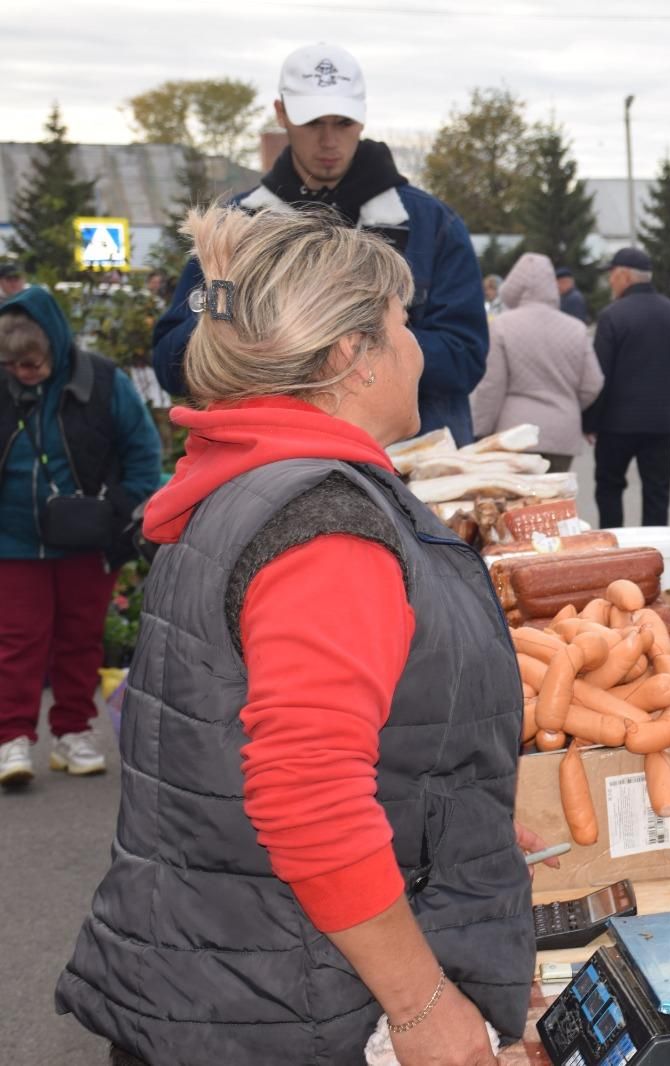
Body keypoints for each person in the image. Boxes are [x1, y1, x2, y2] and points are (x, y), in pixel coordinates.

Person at [56, 205, 545, 1065]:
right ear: (352, 355)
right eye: (403, 324)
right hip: (299, 1008)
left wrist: (452, 812)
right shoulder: (325, 525)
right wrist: (423, 1002)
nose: (421, 348)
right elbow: (307, 794)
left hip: (230, 978)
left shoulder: (246, 484)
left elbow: (241, 733)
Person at [151, 42, 488, 444]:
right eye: (313, 123)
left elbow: (464, 359)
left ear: (362, 118)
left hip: (414, 467)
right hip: (275, 464)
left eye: (343, 122)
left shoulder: (434, 225)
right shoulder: (236, 228)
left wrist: (320, 340)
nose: (328, 141)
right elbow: (171, 361)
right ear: (282, 114)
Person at [0, 287, 161, 787]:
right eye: (14, 364)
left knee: (80, 640)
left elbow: (143, 453)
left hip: (88, 538)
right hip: (11, 539)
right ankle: (12, 740)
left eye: (35, 362)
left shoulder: (103, 381)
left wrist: (115, 511)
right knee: (15, 642)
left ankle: (74, 732)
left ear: (58, 346)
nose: (26, 372)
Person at [584, 248, 670, 528]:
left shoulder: (613, 316)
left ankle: (615, 552)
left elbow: (600, 374)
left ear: (623, 274)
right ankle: (655, 557)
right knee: (657, 494)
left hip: (616, 425)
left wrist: (591, 422)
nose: (610, 282)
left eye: (611, 275)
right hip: (660, 423)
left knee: (609, 488)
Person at [472, 252, 603, 474]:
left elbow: (491, 387)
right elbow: (593, 383)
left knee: (517, 505)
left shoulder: (502, 326)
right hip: (563, 434)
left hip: (514, 434)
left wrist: (480, 432)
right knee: (555, 504)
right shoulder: (577, 329)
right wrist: (568, 404)